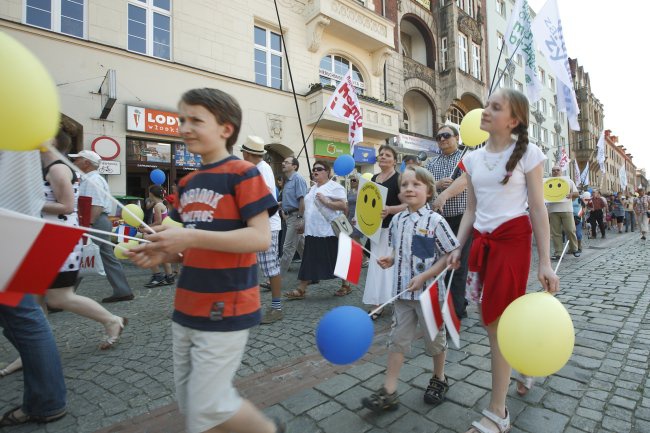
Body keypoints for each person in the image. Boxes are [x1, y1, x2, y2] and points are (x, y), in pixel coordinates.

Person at [127, 88, 283, 433]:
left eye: (196, 120)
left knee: (208, 407)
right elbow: (191, 247)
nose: (185, 127)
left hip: (227, 303)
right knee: (191, 403)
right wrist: (163, 251)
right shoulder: (187, 183)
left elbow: (260, 237)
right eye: (182, 119)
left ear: (225, 129)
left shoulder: (244, 173)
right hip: (186, 305)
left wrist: (189, 237)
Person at [448, 89, 559, 433]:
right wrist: (457, 246)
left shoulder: (529, 154)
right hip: (481, 242)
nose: (486, 111)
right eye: (487, 105)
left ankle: (498, 411)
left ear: (513, 120)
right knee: (489, 319)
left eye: (495, 107)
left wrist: (544, 262)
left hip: (512, 242)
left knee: (497, 322)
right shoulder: (473, 159)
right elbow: (470, 210)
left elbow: (539, 208)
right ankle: (524, 363)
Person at [361, 166, 459, 412]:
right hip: (402, 295)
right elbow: (400, 251)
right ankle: (389, 390)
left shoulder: (435, 220)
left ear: (428, 190)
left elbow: (450, 255)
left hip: (429, 296)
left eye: (416, 184)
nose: (409, 189)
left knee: (435, 341)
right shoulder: (397, 220)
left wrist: (426, 275)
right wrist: (391, 259)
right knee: (397, 341)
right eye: (404, 185)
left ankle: (440, 378)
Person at [0, 150, 67, 427]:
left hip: (23, 235)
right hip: (21, 234)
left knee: (31, 311)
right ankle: (46, 397)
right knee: (28, 312)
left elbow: (68, 205)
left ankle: (47, 400)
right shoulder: (33, 157)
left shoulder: (55, 165)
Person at [71, 150, 134, 303]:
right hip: (97, 221)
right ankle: (122, 290)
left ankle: (63, 295)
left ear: (86, 163)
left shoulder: (93, 180)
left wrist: (88, 225)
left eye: (77, 159)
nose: (74, 162)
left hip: (95, 221)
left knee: (82, 255)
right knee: (93, 255)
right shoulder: (92, 179)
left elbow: (96, 205)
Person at [284, 161, 349, 299]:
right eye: (314, 169)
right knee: (309, 259)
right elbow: (308, 208)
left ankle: (346, 285)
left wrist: (327, 201)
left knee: (337, 258)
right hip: (312, 230)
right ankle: (301, 289)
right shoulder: (312, 189)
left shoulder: (335, 187)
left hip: (329, 230)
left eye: (319, 169)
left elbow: (343, 206)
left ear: (327, 172)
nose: (315, 171)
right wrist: (302, 221)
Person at [428, 125, 472, 319]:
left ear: (456, 137)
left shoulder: (466, 159)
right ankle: (451, 301)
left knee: (459, 264)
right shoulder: (431, 163)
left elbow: (464, 181)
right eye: (439, 137)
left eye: (446, 135)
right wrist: (437, 185)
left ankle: (456, 310)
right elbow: (424, 185)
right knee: (440, 265)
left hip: (462, 219)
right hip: (439, 221)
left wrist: (445, 193)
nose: (442, 139)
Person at [240, 136, 284, 324]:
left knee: (270, 266)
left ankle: (277, 307)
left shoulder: (262, 169)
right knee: (251, 264)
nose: (241, 154)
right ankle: (248, 305)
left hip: (266, 226)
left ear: (248, 153)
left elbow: (265, 197)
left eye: (243, 151)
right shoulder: (257, 168)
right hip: (258, 225)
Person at [362, 145, 407, 320]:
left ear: (394, 160)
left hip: (392, 229)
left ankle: (397, 302)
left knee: (391, 265)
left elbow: (407, 205)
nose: (383, 157)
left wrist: (390, 209)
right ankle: (377, 303)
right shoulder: (373, 178)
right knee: (376, 266)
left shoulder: (399, 179)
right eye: (381, 155)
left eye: (387, 155)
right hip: (375, 230)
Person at [279, 156, 308, 276]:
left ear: (294, 166)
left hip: (296, 216)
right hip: (289, 217)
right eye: (283, 161)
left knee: (288, 247)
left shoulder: (298, 179)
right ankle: (311, 274)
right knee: (303, 248)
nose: (283, 163)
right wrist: (280, 205)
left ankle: (275, 278)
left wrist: (300, 218)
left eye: (286, 162)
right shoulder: (288, 180)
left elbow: (302, 200)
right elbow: (291, 200)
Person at [143, 185, 176, 287]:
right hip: (163, 232)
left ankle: (157, 276)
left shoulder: (157, 206)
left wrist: (146, 227)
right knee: (164, 255)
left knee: (149, 253)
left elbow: (158, 222)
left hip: (158, 233)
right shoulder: (162, 204)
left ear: (151, 194)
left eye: (149, 192)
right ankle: (169, 276)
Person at [546, 166, 580, 259]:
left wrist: (571, 194)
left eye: (557, 170)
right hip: (553, 210)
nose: (555, 172)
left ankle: (574, 249)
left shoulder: (568, 181)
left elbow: (577, 194)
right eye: (553, 170)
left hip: (567, 210)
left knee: (570, 230)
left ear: (561, 171)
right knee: (556, 233)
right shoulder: (547, 182)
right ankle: (558, 253)